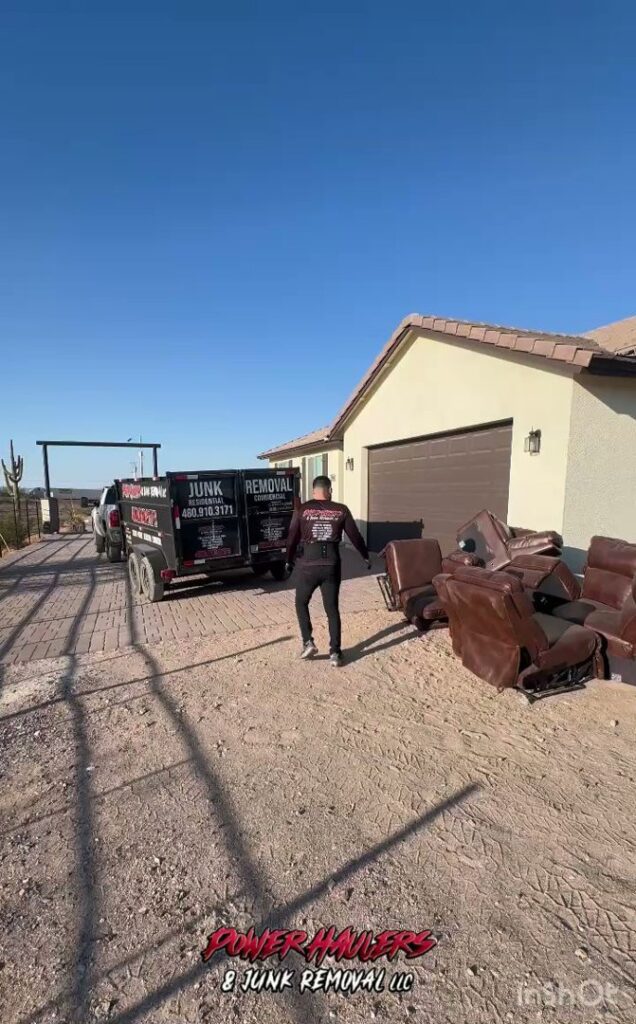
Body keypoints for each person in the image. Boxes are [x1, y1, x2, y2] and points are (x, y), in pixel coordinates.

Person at [285, 475, 371, 667]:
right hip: (331, 564)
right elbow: (355, 536)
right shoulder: (341, 509)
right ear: (329, 490)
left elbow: (291, 538)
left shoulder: (303, 509)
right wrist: (365, 556)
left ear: (314, 491)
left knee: (301, 602)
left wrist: (289, 561)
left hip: (308, 565)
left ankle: (308, 642)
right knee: (332, 609)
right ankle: (335, 653)